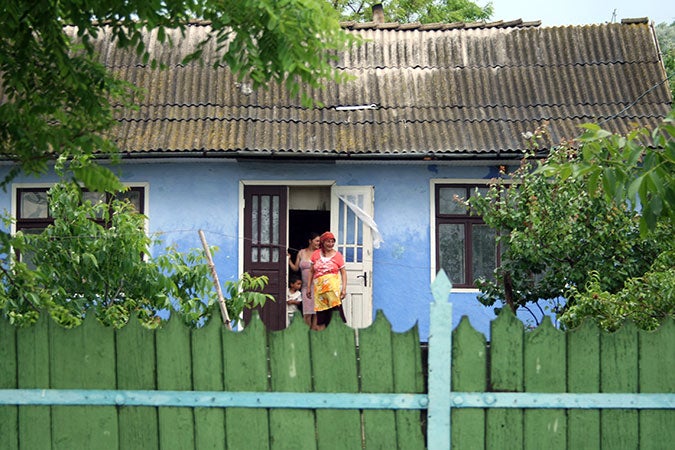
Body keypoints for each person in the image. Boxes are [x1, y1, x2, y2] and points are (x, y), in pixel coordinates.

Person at [310, 231, 347, 330]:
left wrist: (343, 289)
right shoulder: (315, 254)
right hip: (320, 292)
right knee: (321, 318)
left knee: (336, 316)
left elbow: (343, 273)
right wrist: (309, 287)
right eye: (328, 241)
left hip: (332, 291)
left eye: (332, 242)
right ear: (323, 242)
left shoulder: (337, 255)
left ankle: (337, 339)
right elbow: (311, 271)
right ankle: (323, 341)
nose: (331, 244)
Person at [288, 232, 321, 328]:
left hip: (317, 287)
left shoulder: (320, 253)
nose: (319, 243)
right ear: (310, 241)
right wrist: (289, 259)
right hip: (306, 288)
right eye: (317, 241)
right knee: (307, 314)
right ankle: (306, 335)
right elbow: (295, 268)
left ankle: (315, 335)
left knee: (316, 314)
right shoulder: (301, 252)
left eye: (319, 241)